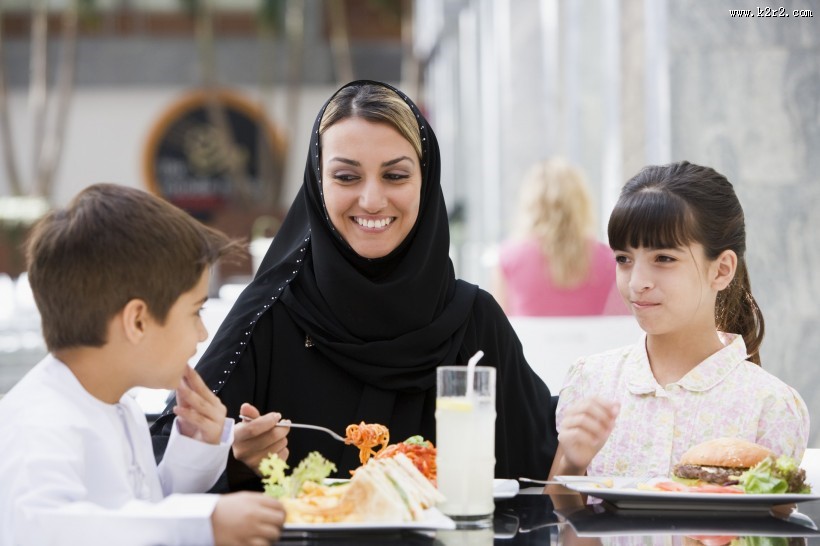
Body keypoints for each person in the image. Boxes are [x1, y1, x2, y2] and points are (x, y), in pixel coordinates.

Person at [151, 80, 558, 489]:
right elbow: (165, 462)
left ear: (426, 181)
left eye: (395, 175)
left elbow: (537, 470)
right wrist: (232, 459)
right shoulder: (269, 315)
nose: (372, 200)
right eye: (346, 177)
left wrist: (579, 440)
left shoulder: (474, 321)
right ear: (317, 183)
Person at [0, 184, 286, 545]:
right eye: (195, 312)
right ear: (137, 321)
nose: (201, 334)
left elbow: (140, 509)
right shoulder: (39, 422)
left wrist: (197, 447)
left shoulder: (120, 407)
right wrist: (204, 523)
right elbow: (45, 530)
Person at [547, 161, 809, 493]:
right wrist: (572, 463)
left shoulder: (770, 405)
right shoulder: (590, 380)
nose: (637, 282)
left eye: (664, 259)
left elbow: (772, 534)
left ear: (721, 269)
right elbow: (555, 526)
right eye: (624, 259)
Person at [493, 158, 626, 316]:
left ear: (531, 204)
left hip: (526, 342)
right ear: (581, 202)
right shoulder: (609, 259)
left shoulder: (509, 258)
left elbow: (496, 329)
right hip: (600, 341)